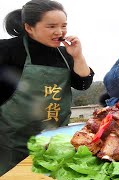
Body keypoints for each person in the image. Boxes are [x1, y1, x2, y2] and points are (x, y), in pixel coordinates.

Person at [0, 0, 94, 175]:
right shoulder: (8, 49)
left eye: (63, 26)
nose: (59, 32)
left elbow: (83, 84)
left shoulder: (65, 53)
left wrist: (78, 56)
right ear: (29, 27)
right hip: (12, 143)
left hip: (54, 142)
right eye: (51, 26)